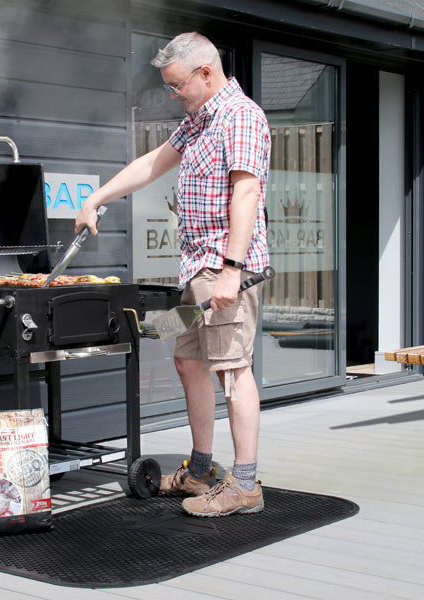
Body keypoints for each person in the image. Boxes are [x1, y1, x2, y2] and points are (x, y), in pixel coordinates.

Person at [74, 32, 271, 517]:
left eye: (176, 85)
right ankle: (201, 471)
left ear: (206, 72)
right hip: (194, 270)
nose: (173, 94)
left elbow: (246, 196)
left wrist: (231, 271)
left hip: (225, 271)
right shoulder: (197, 122)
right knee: (187, 362)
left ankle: (245, 485)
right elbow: (152, 163)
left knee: (233, 370)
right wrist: (95, 198)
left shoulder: (240, 117)